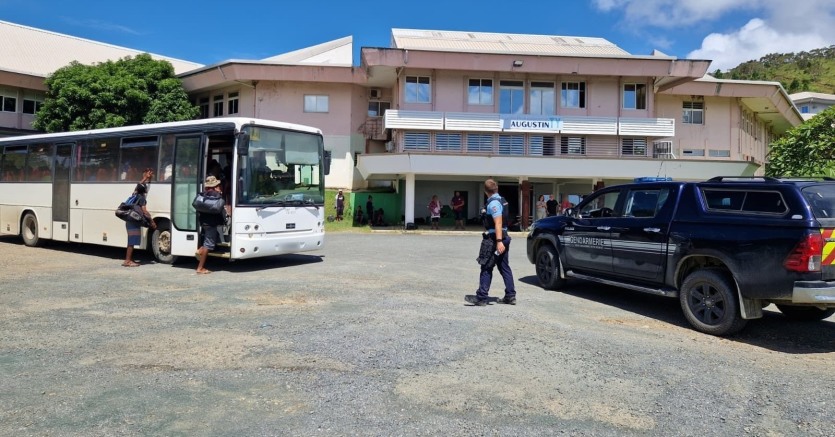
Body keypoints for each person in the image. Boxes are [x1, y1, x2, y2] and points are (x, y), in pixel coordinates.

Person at [466, 178, 516, 306]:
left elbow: (498, 222)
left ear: (485, 191)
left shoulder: (493, 203)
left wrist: (498, 241)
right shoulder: (501, 200)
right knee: (504, 267)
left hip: (495, 239)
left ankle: (481, 297)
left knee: (486, 266)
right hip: (504, 237)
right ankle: (510, 296)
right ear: (497, 188)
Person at [123, 169, 156, 267]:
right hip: (134, 221)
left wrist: (145, 178)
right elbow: (144, 211)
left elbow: (138, 185)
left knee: (131, 240)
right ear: (144, 190)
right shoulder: (142, 198)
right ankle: (128, 261)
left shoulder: (134, 194)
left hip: (129, 220)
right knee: (132, 241)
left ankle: (128, 260)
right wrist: (152, 221)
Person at [196, 176, 225, 274]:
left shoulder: (203, 195)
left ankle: (200, 250)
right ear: (215, 186)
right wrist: (219, 193)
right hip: (211, 223)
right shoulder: (216, 195)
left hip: (204, 222)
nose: (219, 186)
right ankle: (200, 268)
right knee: (208, 245)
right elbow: (219, 207)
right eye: (218, 185)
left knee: (210, 240)